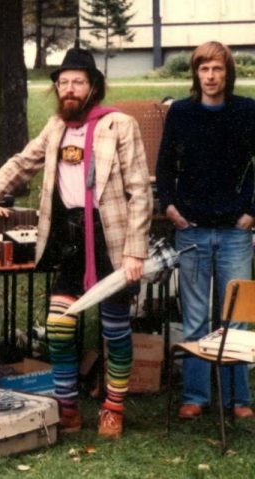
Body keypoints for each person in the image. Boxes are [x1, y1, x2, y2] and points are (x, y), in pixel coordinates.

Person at [0, 48, 152, 438]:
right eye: (63, 82)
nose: (69, 89)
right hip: (69, 241)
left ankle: (113, 408)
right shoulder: (55, 128)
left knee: (114, 329)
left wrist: (135, 250)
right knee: (59, 327)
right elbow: (21, 163)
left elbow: (139, 190)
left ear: (93, 86)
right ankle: (67, 409)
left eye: (77, 81)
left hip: (110, 239)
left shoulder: (119, 124)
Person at [156, 41, 255, 420]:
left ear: (228, 73)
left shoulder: (247, 111)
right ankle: (196, 395)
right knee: (195, 316)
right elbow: (165, 165)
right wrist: (171, 208)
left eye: (217, 69)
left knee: (236, 316)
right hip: (192, 229)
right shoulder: (181, 113)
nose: (211, 76)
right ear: (195, 74)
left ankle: (238, 399)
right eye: (203, 69)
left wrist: (251, 213)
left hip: (235, 232)